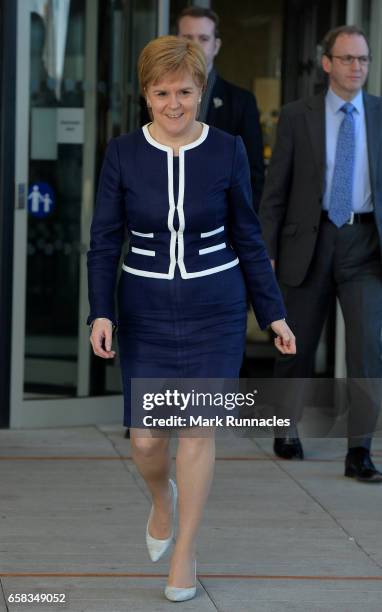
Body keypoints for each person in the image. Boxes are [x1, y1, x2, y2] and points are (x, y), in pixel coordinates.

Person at [87, 35, 295, 602]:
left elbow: (249, 238)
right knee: (148, 441)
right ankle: (162, 500)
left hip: (216, 309)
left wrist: (271, 312)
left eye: (184, 91)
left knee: (198, 434)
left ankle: (185, 555)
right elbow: (104, 240)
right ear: (145, 95)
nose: (173, 103)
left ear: (201, 91)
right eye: (161, 92)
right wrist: (100, 311)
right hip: (147, 310)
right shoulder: (123, 153)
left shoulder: (226, 150)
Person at [259, 25, 382, 482]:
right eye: (347, 58)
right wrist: (265, 252)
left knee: (368, 351)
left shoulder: (379, 114)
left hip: (364, 246)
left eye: (363, 60)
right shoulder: (297, 115)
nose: (357, 67)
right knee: (296, 346)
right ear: (327, 63)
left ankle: (360, 452)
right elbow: (276, 190)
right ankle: (285, 429)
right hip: (307, 244)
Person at [141, 6, 264, 211]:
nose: (194, 45)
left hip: (220, 222)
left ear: (216, 46)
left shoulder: (242, 102)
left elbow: (253, 175)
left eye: (203, 38)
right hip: (161, 215)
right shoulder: (154, 97)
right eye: (187, 37)